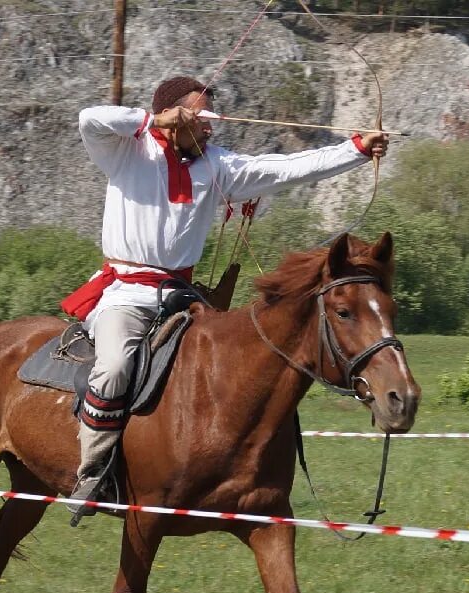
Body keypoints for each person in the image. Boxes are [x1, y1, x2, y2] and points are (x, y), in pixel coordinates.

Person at [63, 75, 389, 524]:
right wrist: (150, 119)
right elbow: (89, 118)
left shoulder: (218, 166)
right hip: (126, 294)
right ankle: (93, 473)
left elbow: (287, 167)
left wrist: (354, 149)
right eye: (202, 118)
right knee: (116, 365)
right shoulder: (125, 151)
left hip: (183, 296)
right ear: (175, 116)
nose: (211, 129)